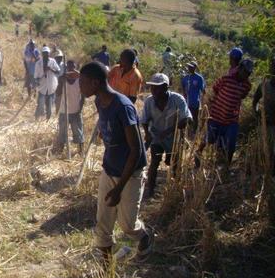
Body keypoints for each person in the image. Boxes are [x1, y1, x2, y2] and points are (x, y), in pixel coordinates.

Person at [78, 61, 153, 261]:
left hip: (131, 172)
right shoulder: (99, 102)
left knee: (128, 225)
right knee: (103, 221)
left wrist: (119, 188)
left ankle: (144, 236)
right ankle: (106, 269)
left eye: (82, 82)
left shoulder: (123, 106)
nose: (80, 87)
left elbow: (136, 150)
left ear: (94, 83)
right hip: (110, 169)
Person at [141, 73, 191, 197]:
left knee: (174, 164)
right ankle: (150, 190)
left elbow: (186, 119)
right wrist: (147, 133)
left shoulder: (177, 99)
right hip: (157, 137)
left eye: (157, 87)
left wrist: (168, 131)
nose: (153, 90)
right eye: (152, 87)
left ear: (165, 87)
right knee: (154, 163)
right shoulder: (149, 101)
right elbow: (145, 120)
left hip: (174, 138)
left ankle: (176, 191)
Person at [198, 59, 253, 165]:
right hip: (216, 116)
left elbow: (242, 96)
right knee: (209, 138)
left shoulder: (247, 85)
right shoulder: (226, 79)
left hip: (231, 119)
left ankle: (226, 166)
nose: (246, 75)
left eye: (249, 73)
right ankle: (198, 153)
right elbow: (215, 89)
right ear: (240, 68)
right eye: (245, 72)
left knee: (231, 144)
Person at [57, 60, 84, 156]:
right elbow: (58, 93)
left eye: (73, 68)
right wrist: (61, 81)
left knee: (78, 132)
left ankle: (81, 151)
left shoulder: (80, 80)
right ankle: (60, 151)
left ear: (75, 68)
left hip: (76, 111)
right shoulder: (62, 79)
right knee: (62, 133)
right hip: (64, 111)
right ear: (66, 68)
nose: (71, 70)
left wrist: (79, 110)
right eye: (69, 68)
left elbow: (83, 96)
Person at [252, 54, 275, 169]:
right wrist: (256, 113)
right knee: (266, 151)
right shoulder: (264, 85)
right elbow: (255, 100)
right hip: (267, 125)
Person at [34, 46, 60, 120]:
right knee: (40, 105)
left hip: (51, 87)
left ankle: (47, 120)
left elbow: (58, 71)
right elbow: (36, 76)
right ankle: (37, 117)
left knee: (49, 107)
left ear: (49, 54)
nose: (46, 55)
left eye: (47, 53)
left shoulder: (52, 61)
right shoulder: (38, 63)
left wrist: (50, 69)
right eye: (44, 53)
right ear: (42, 54)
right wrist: (37, 81)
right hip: (42, 87)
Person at [181, 62, 206, 135]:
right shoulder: (185, 78)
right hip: (186, 101)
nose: (189, 68)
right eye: (189, 66)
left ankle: (195, 132)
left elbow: (203, 90)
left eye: (191, 67)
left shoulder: (199, 78)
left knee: (195, 117)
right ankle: (188, 131)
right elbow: (182, 85)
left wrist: (203, 100)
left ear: (195, 68)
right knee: (187, 116)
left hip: (195, 101)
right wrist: (184, 93)